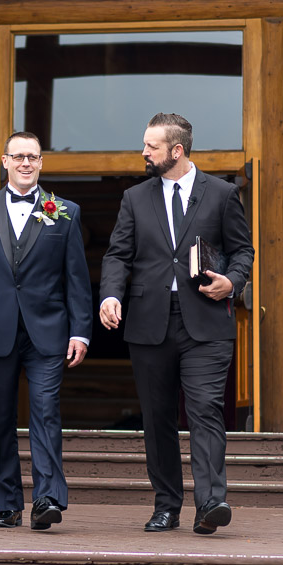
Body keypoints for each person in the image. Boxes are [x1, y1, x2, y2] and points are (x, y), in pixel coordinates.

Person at [99, 113, 253, 535]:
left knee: (205, 410)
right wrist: (111, 294)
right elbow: (117, 255)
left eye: (151, 146)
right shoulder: (134, 198)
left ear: (177, 150)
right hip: (150, 324)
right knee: (158, 417)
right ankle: (167, 505)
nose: (144, 152)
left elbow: (243, 252)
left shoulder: (221, 194)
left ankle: (211, 503)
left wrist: (232, 282)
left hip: (205, 321)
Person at [0, 131, 94, 531]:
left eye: (33, 156)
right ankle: (8, 503)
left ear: (42, 162)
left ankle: (47, 498)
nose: (26, 163)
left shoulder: (63, 211)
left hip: (48, 330)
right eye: (19, 156)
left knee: (46, 412)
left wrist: (81, 331)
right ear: (5, 161)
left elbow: (76, 277)